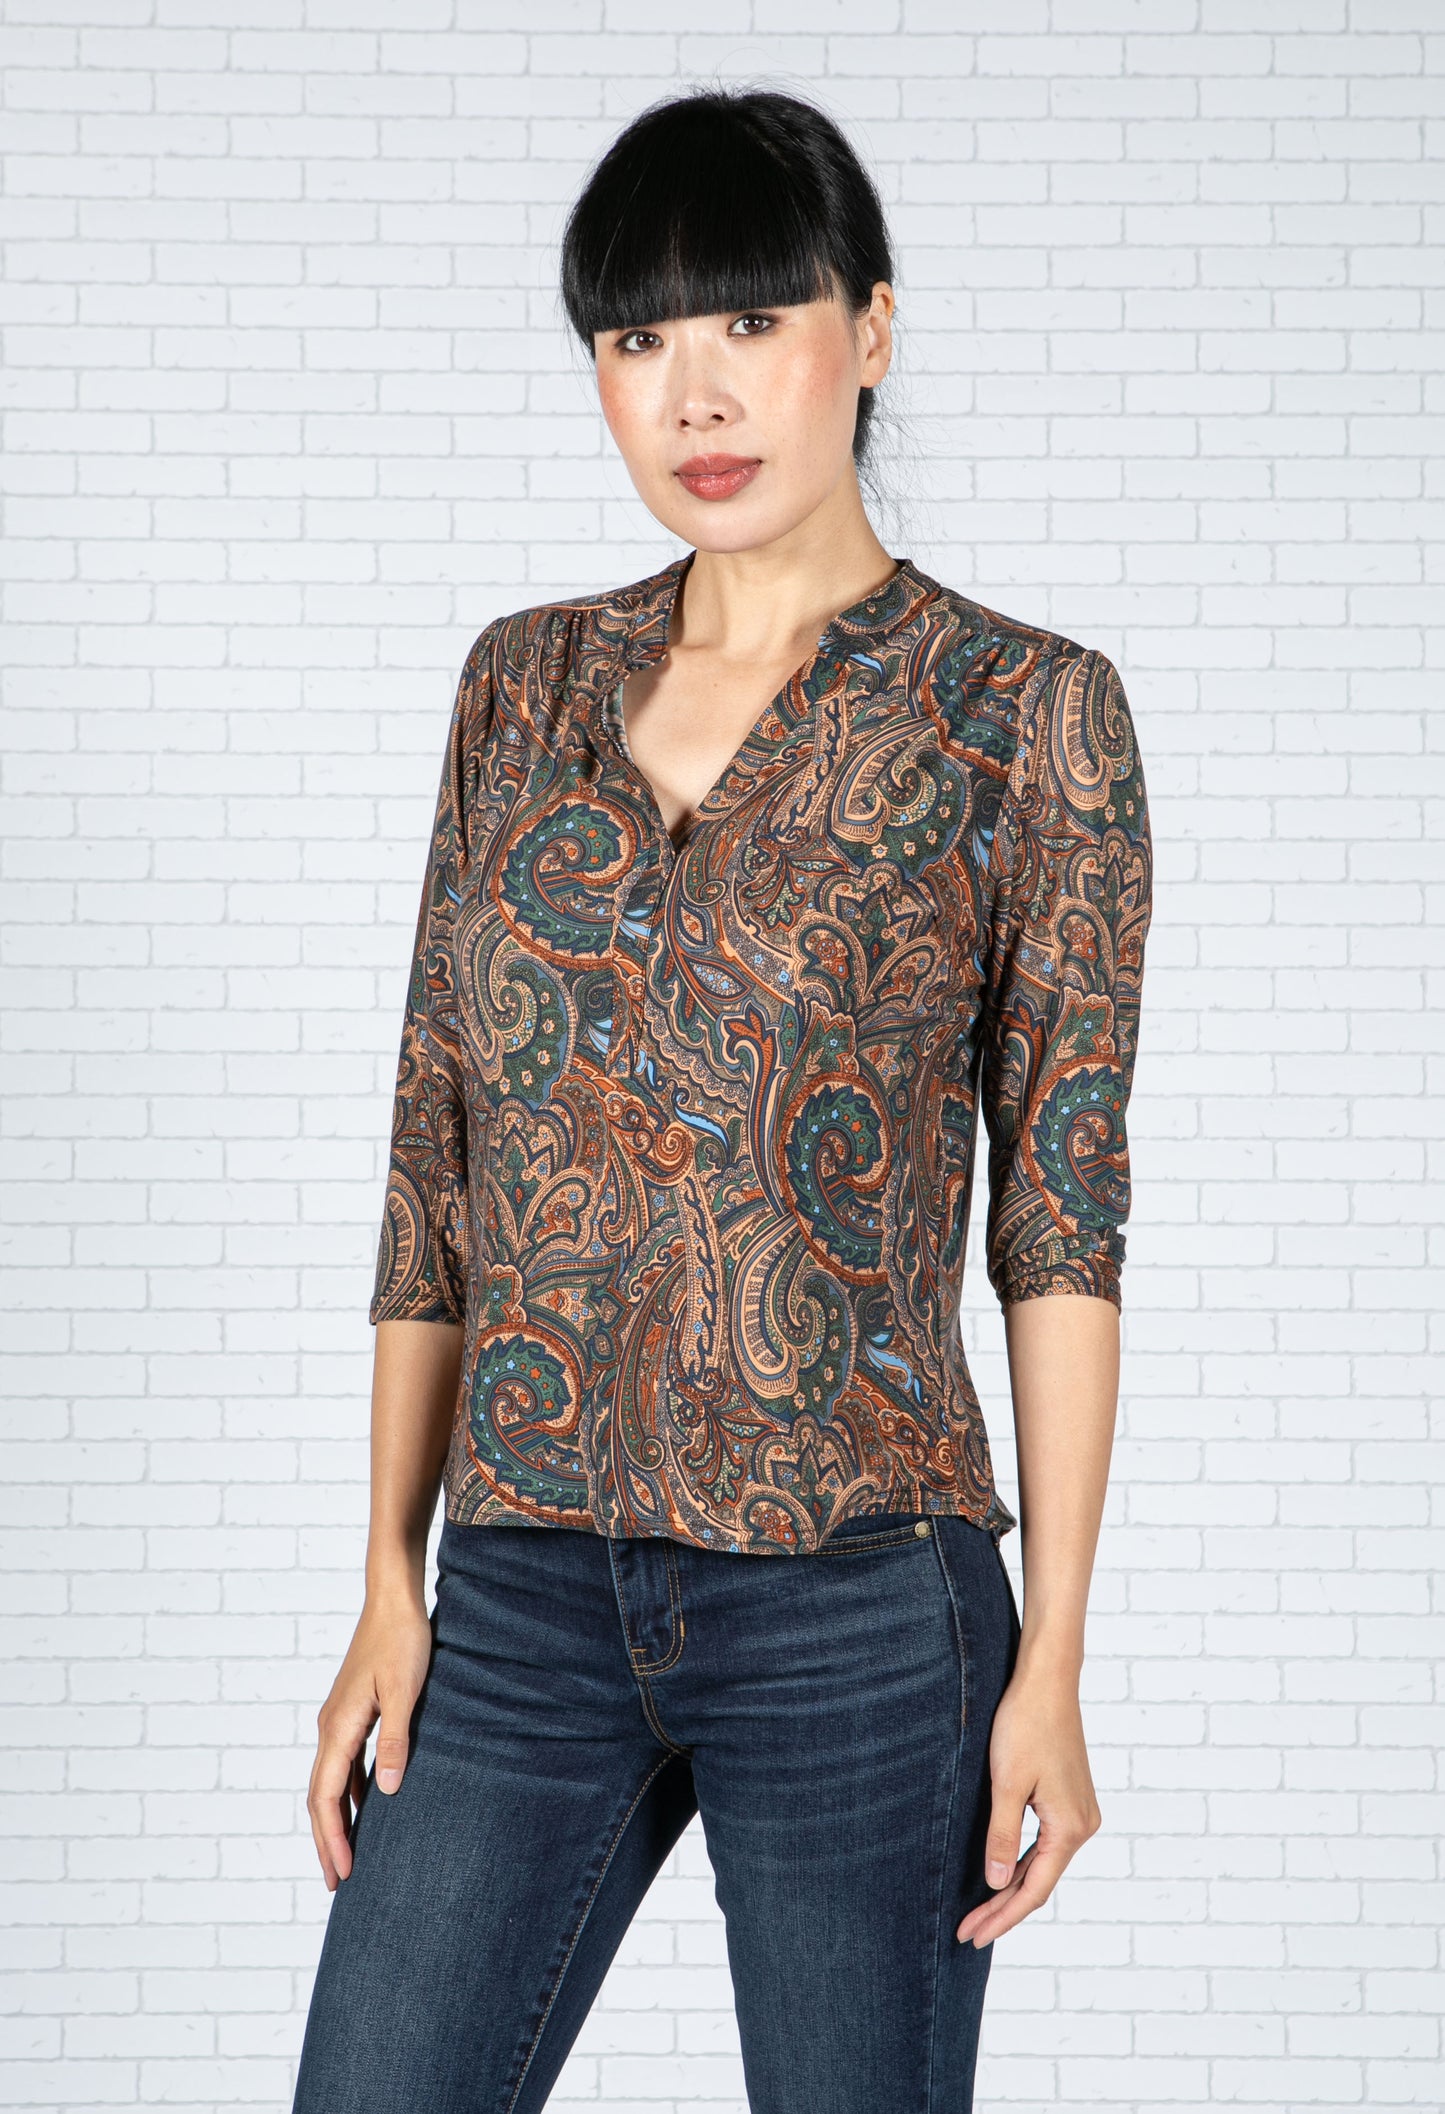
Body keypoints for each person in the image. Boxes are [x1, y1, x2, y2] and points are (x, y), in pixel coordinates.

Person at [290, 85, 1154, 2114]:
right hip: (517, 1591)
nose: (695, 392)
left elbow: (1063, 1211)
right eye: (637, 338)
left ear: (870, 328)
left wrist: (1055, 1655)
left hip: (859, 1596)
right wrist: (388, 1577)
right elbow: (435, 1159)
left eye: (752, 320)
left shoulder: (1024, 714)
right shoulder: (520, 688)